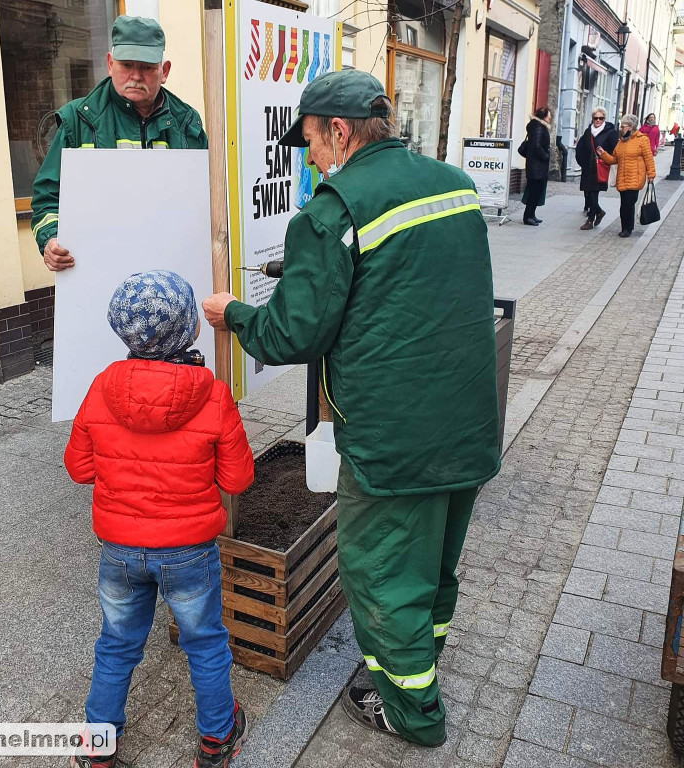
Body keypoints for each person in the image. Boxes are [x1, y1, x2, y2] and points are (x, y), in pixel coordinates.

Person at [202, 70, 500, 748]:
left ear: (338, 132)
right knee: (433, 564)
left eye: (309, 142)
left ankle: (411, 714)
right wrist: (302, 271)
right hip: (468, 424)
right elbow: (402, 274)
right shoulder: (452, 184)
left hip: (393, 442)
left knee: (381, 573)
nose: (309, 157)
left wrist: (235, 313)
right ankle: (417, 668)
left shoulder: (333, 211)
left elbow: (293, 335)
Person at [64, 271, 253, 768]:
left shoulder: (103, 386)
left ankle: (97, 746)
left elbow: (79, 468)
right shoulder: (212, 394)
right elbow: (236, 480)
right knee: (206, 643)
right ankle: (216, 740)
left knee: (117, 645)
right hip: (190, 552)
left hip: (119, 550)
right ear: (190, 328)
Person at [31, 16, 207, 272]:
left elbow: (207, 201)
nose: (136, 76)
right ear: (110, 64)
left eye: (147, 67)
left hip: (171, 272)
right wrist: (50, 239)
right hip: (96, 272)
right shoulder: (77, 120)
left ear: (164, 71)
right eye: (126, 65)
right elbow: (46, 198)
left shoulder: (187, 124)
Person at [596, 114, 656, 238]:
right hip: (622, 178)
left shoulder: (642, 140)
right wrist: (603, 154)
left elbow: (648, 158)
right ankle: (627, 227)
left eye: (623, 126)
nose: (621, 129)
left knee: (628, 204)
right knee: (625, 204)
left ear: (631, 127)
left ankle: (627, 229)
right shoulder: (621, 142)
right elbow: (614, 159)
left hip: (635, 177)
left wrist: (651, 174)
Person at [575, 107, 618, 230]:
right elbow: (581, 147)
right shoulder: (588, 131)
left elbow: (615, 150)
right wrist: (582, 162)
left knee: (594, 193)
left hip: (600, 167)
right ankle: (599, 212)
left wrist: (605, 156)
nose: (598, 120)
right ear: (592, 118)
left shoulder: (610, 132)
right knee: (588, 193)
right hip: (588, 167)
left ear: (604, 119)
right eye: (595, 118)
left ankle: (590, 219)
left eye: (601, 118)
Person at [521, 106, 552, 225]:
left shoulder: (538, 126)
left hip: (537, 165)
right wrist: (545, 156)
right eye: (549, 116)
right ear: (544, 117)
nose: (550, 118)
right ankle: (527, 216)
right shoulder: (538, 128)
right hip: (536, 166)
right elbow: (536, 146)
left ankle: (531, 214)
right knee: (534, 191)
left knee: (536, 191)